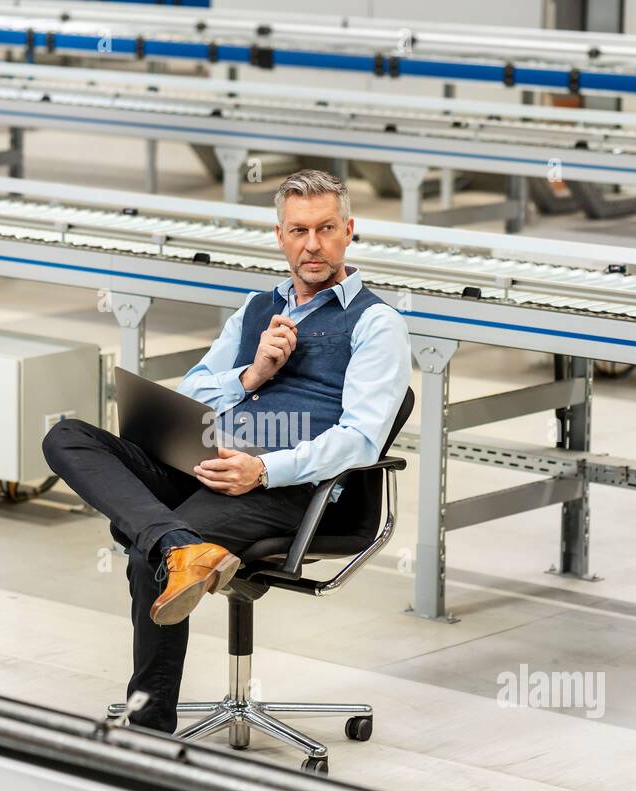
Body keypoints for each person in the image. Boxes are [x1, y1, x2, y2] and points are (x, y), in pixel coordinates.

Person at [42, 169, 411, 733]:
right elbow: (192, 392)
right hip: (210, 459)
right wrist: (253, 371)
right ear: (279, 235)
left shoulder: (376, 324)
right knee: (66, 437)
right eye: (298, 230)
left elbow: (359, 439)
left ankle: (150, 727)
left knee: (149, 558)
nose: (312, 245)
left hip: (291, 491)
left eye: (325, 228)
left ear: (349, 231)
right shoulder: (257, 308)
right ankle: (177, 544)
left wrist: (262, 470)